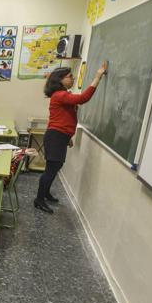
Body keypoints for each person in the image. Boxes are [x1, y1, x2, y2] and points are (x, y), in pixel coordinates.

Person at [35, 63, 107, 213]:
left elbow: (64, 117)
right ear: (60, 80)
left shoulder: (62, 95)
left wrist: (67, 136)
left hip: (60, 136)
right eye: (69, 77)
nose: (72, 79)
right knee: (51, 168)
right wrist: (97, 77)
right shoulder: (61, 95)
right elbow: (83, 98)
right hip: (55, 136)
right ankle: (39, 199)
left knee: (56, 166)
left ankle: (46, 193)